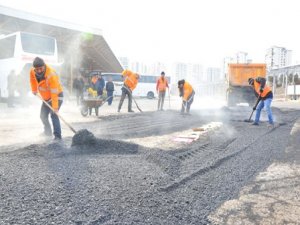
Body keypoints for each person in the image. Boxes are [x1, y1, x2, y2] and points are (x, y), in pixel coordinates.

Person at [30, 57, 63, 140]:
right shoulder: (32, 71)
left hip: (57, 96)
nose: (39, 71)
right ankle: (48, 132)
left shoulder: (51, 75)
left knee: (54, 115)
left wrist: (55, 107)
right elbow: (32, 80)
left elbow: (54, 92)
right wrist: (34, 90)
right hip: (46, 98)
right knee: (43, 116)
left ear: (44, 66)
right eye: (37, 69)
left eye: (40, 68)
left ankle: (58, 137)